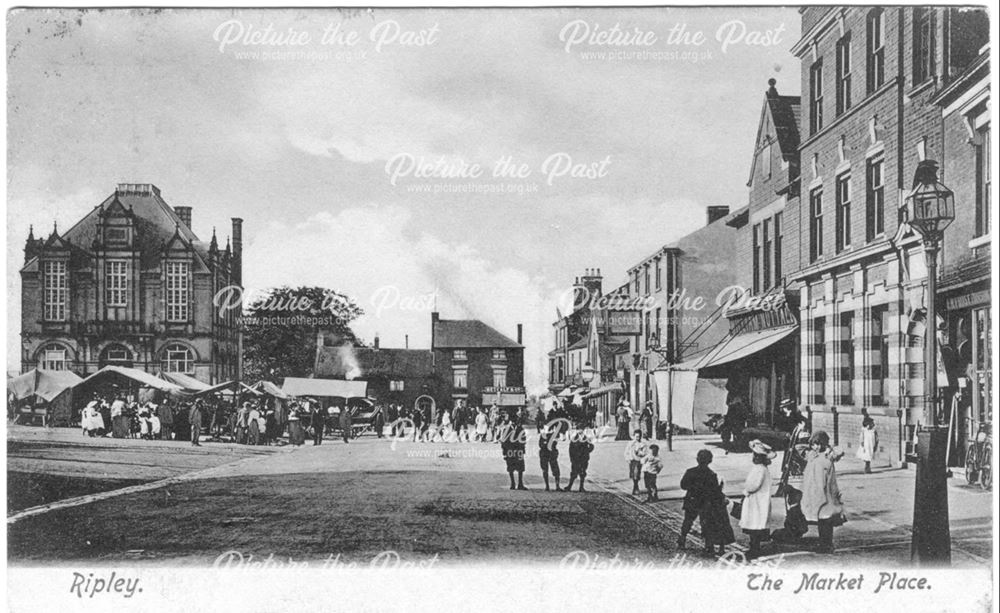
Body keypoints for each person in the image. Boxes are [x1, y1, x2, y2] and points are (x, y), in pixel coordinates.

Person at [801, 430, 844, 554]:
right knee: (821, 521)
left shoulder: (826, 459)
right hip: (815, 492)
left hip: (825, 493)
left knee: (826, 520)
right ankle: (824, 543)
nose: (817, 447)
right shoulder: (812, 457)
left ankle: (827, 544)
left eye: (820, 444)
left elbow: (827, 479)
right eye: (815, 444)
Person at [741, 439, 776, 560]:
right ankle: (754, 546)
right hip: (759, 501)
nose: (753, 457)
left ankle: (754, 548)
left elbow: (753, 485)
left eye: (755, 455)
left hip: (756, 501)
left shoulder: (759, 469)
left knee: (755, 524)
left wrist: (746, 491)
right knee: (755, 524)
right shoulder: (761, 468)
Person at [499, 412, 527, 490]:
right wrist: (504, 452)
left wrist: (523, 450)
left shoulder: (520, 429)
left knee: (520, 468)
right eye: (513, 421)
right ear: (510, 421)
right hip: (510, 451)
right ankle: (513, 483)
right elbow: (503, 442)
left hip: (518, 451)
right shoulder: (506, 429)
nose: (514, 422)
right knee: (510, 468)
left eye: (516, 420)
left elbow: (523, 440)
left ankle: (520, 484)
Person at [566, 428, 594, 492]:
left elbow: (591, 446)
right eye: (578, 429)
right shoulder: (574, 439)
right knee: (573, 473)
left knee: (583, 473)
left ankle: (581, 487)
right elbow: (570, 450)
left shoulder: (586, 438)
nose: (579, 431)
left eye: (581, 429)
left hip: (584, 459)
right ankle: (569, 487)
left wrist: (587, 452)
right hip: (576, 459)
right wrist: (572, 459)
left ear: (583, 430)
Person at [538, 424, 562, 491]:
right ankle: (547, 486)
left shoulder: (554, 435)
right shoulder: (543, 435)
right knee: (545, 470)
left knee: (556, 470)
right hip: (544, 454)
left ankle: (557, 486)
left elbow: (554, 443)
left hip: (552, 454)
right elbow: (540, 444)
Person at [624, 429, 647, 495]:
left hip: (638, 461)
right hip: (632, 460)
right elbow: (626, 452)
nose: (638, 438)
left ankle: (635, 487)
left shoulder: (642, 444)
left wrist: (639, 452)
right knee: (633, 474)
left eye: (639, 437)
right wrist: (627, 458)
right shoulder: (630, 443)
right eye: (636, 436)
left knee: (636, 473)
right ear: (633, 436)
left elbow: (644, 453)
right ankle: (635, 486)